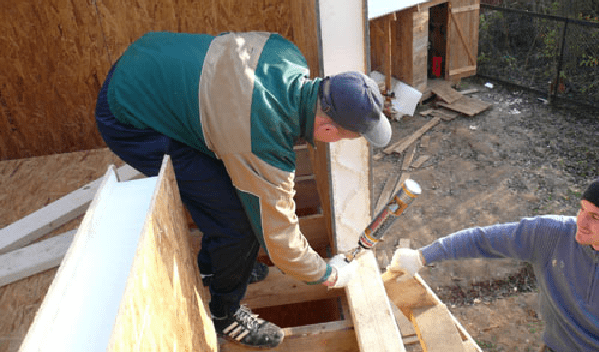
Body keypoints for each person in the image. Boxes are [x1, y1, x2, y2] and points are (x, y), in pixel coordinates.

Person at [95, 31, 392, 348]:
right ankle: (225, 315)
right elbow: (281, 243)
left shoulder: (286, 54)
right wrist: (327, 274)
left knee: (232, 197)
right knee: (237, 226)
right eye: (345, 138)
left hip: (147, 61)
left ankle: (215, 268)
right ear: (329, 129)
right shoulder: (262, 139)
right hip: (128, 118)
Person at [389, 180, 599, 352]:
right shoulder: (553, 235)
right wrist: (421, 257)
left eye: (595, 217)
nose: (581, 222)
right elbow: (481, 240)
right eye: (581, 209)